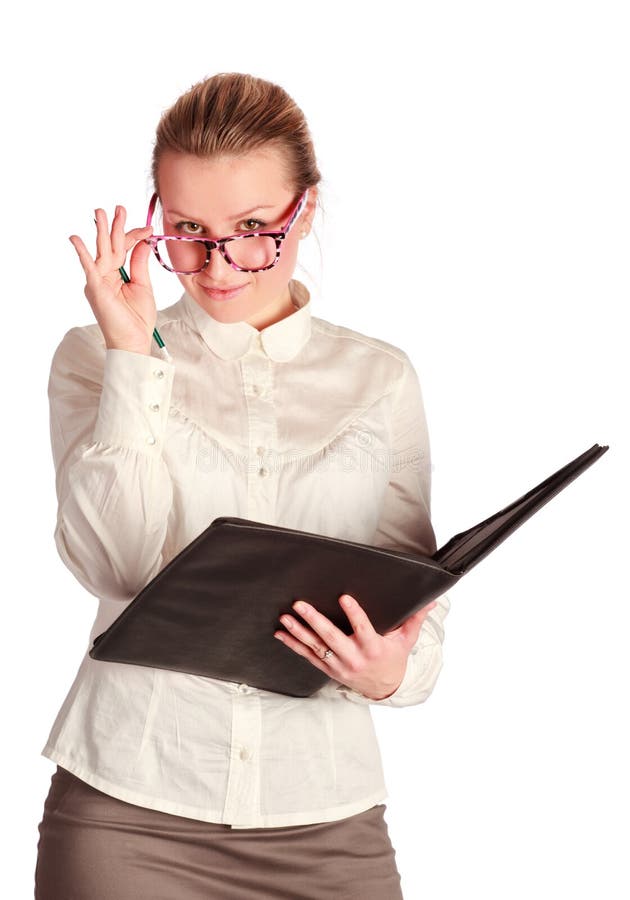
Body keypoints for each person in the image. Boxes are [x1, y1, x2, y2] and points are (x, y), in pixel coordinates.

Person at [34, 71, 451, 899]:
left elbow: (416, 600)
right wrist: (134, 358)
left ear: (308, 209)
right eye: (186, 230)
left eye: (254, 228)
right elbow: (115, 566)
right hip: (129, 808)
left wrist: (393, 673)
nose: (217, 265)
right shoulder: (95, 356)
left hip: (331, 817)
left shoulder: (379, 378)